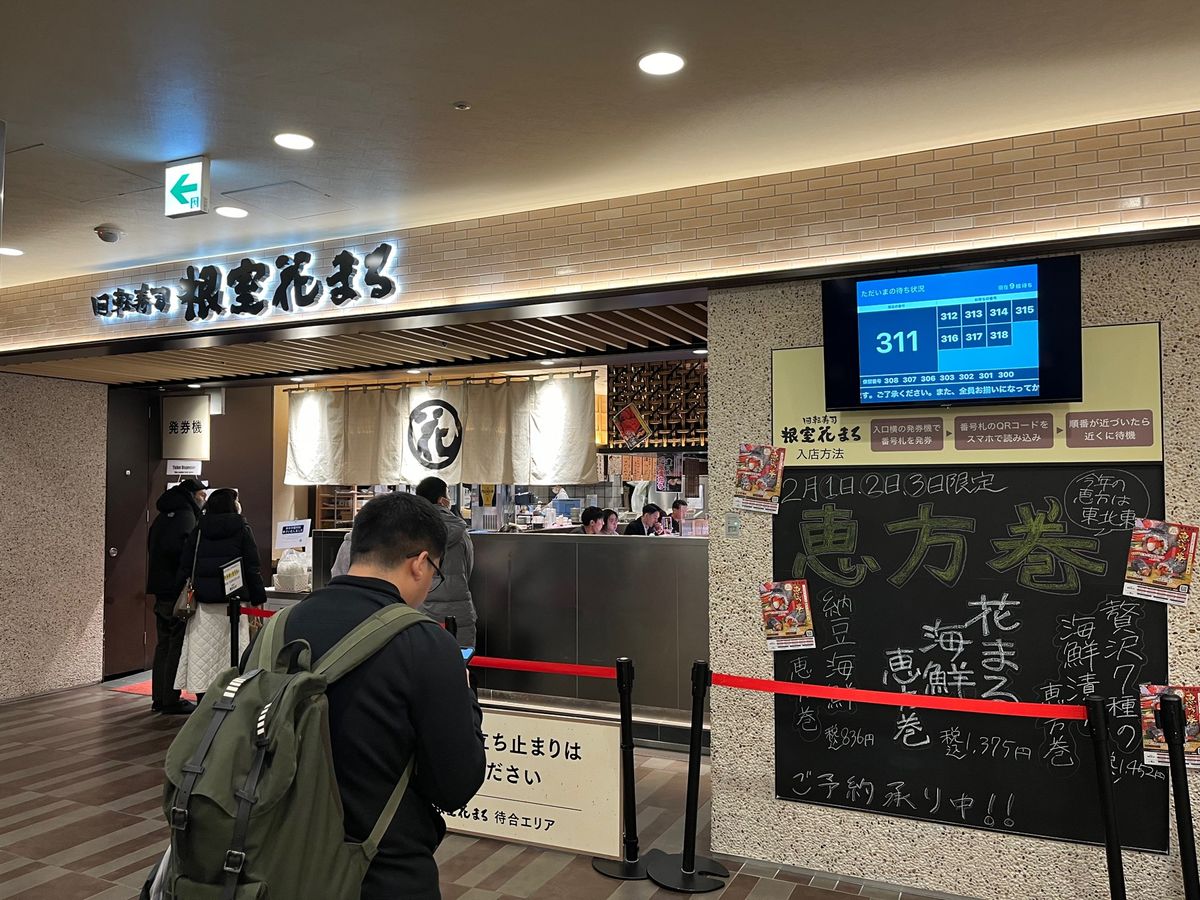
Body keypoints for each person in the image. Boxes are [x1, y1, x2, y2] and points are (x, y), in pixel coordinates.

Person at [272, 491, 485, 898]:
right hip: (381, 870)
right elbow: (456, 785)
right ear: (420, 563)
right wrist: (466, 698)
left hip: (276, 859)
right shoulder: (424, 644)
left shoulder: (278, 628)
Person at [173, 488, 266, 700]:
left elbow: (186, 564)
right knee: (232, 656)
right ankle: (232, 701)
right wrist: (259, 599)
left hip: (203, 606)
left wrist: (175, 591)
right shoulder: (242, 528)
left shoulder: (199, 530)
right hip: (233, 607)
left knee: (202, 657)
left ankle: (202, 703)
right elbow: (252, 567)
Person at [145, 478, 207, 715]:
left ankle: (159, 697)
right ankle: (171, 699)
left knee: (162, 643)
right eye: (201, 495)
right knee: (175, 643)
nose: (203, 500)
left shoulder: (162, 517)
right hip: (177, 589)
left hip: (160, 587)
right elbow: (186, 555)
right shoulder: (186, 517)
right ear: (192, 495)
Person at [414, 476, 477, 648]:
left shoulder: (411, 531)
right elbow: (468, 566)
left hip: (420, 609)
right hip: (457, 612)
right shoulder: (460, 531)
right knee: (458, 663)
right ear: (442, 500)